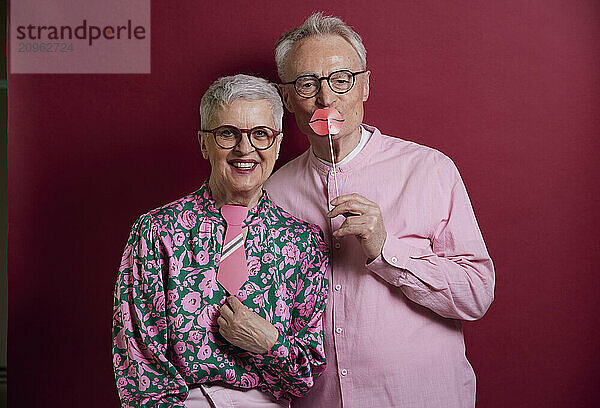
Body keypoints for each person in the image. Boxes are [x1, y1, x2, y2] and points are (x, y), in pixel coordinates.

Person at [264, 13, 495, 408]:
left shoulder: (428, 169)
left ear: (365, 85)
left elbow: (476, 295)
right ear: (286, 97)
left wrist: (385, 249)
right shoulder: (273, 191)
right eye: (307, 84)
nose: (326, 99)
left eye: (341, 80)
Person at [112, 74, 329, 408]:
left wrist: (268, 342)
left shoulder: (304, 243)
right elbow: (139, 360)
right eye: (227, 133)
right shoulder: (156, 232)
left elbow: (305, 373)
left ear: (278, 144)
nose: (246, 149)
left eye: (261, 134)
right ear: (203, 143)